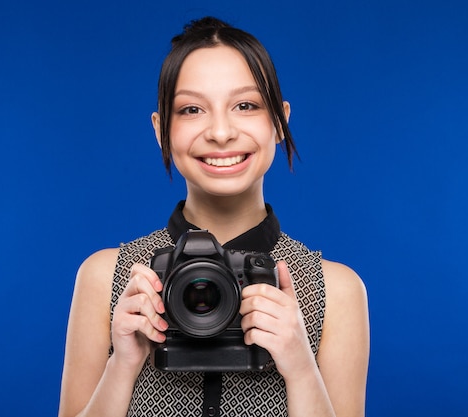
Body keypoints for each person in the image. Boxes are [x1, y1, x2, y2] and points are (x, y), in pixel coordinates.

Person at [58, 16, 369, 417]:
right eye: (191, 109)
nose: (221, 132)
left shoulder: (335, 290)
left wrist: (301, 367)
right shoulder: (109, 277)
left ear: (279, 120)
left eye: (246, 105)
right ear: (161, 129)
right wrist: (122, 364)